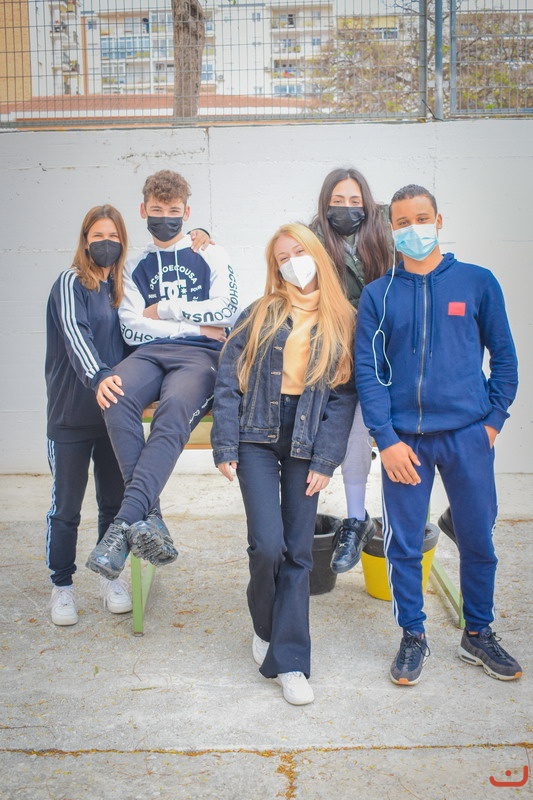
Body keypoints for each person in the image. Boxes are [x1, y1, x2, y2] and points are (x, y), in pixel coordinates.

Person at [355, 184, 522, 685]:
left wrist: (492, 422)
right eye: (403, 222)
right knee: (405, 545)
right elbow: (369, 372)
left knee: (478, 539)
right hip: (405, 444)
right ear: (391, 230)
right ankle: (413, 635)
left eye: (421, 218)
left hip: (469, 436)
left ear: (439, 220)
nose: (414, 229)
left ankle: (478, 634)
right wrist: (386, 439)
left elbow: (505, 357)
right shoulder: (378, 294)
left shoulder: (477, 282)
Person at [211, 223, 357, 705]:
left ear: (316, 253)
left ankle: (291, 661)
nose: (293, 263)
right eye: (282, 258)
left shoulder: (343, 319)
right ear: (274, 267)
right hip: (256, 433)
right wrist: (226, 445)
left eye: (299, 252)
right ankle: (266, 626)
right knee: (267, 546)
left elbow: (344, 396)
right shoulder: (260, 313)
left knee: (298, 550)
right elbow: (228, 380)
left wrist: (326, 459)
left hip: (306, 440)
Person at [85, 169, 240, 579]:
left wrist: (165, 311)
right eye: (157, 210)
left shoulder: (211, 253)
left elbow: (227, 312)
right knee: (116, 393)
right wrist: (193, 324)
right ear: (143, 211)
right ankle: (149, 518)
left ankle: (123, 525)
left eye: (174, 211)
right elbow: (131, 327)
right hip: (150, 353)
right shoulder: (134, 264)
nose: (165, 217)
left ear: (186, 212)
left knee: (173, 411)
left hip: (201, 357)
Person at [45, 205, 132, 625]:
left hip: (113, 417)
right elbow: (75, 334)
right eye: (98, 235)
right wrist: (99, 376)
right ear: (85, 240)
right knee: (67, 509)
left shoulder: (123, 290)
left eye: (113, 236)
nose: (105, 243)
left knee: (113, 505)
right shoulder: (70, 282)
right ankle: (62, 585)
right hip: (70, 417)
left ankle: (109, 577)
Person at [309, 167, 392, 574]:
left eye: (355, 201)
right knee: (351, 426)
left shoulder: (387, 228)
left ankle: (380, 520)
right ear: (326, 204)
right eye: (338, 201)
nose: (346, 208)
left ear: (367, 203)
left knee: (381, 424)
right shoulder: (314, 236)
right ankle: (356, 518)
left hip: (384, 348)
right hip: (338, 351)